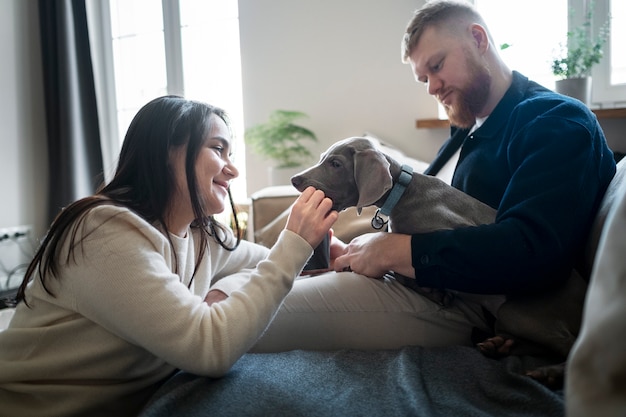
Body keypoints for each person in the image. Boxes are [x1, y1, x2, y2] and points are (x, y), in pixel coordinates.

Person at [250, 0, 616, 353]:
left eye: (437, 66)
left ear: (478, 39)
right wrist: (362, 251)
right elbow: (425, 217)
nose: (431, 87)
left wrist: (397, 251)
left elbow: (534, 252)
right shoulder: (467, 131)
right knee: (247, 284)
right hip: (415, 278)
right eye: (423, 78)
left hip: (463, 301)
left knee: (249, 313)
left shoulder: (554, 122)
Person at [0, 96, 338, 417]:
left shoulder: (201, 236)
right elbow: (210, 349)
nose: (232, 170)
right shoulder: (102, 231)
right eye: (218, 148)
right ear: (166, 152)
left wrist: (324, 252)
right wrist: (294, 242)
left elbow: (265, 261)